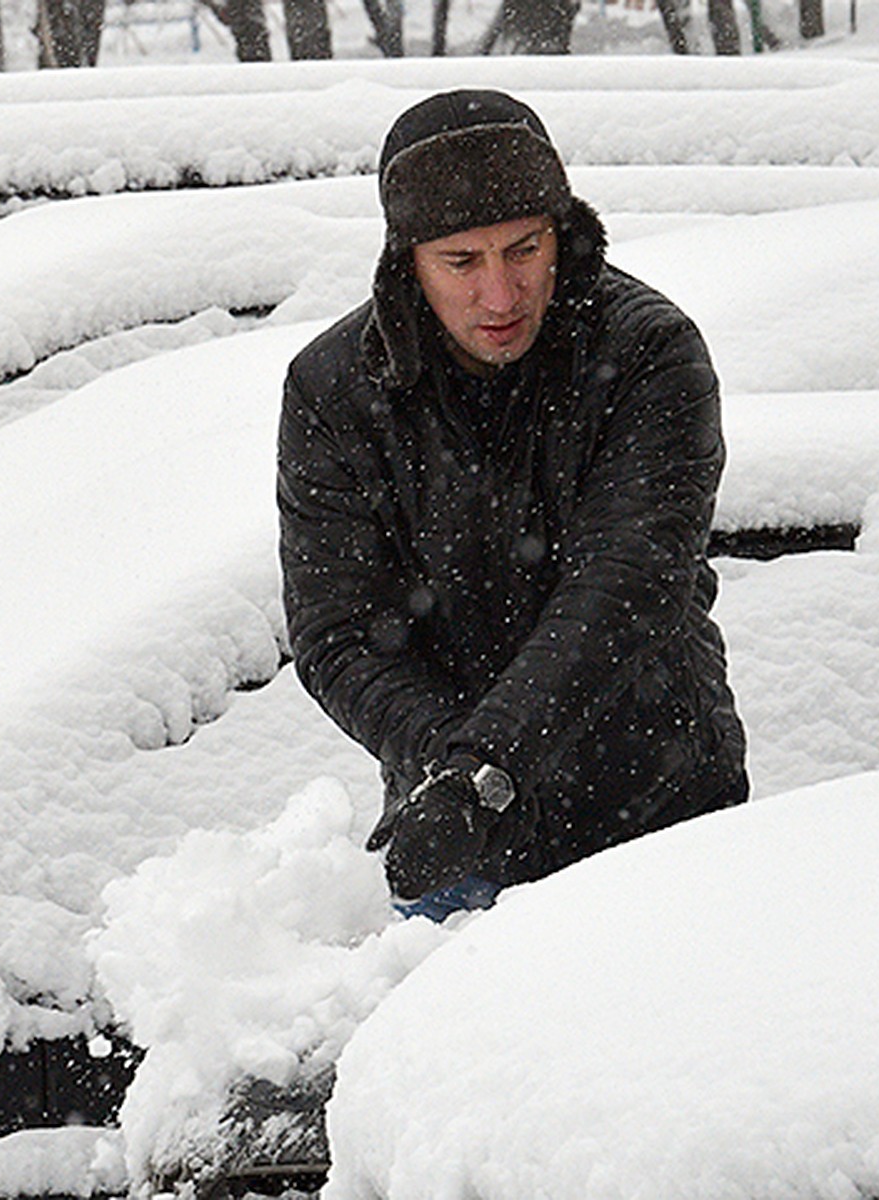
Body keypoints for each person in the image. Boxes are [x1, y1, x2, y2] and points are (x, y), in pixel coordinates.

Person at [278, 89, 748, 921]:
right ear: (408, 262)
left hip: (657, 805)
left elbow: (627, 586)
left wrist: (486, 766)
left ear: (561, 235)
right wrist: (452, 770)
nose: (501, 296)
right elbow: (337, 632)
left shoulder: (647, 354)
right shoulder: (335, 392)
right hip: (454, 839)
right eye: (462, 262)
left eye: (524, 250)